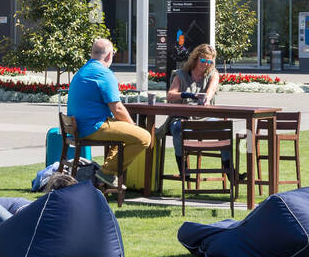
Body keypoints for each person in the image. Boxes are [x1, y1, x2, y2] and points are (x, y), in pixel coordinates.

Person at [66, 37, 151, 186]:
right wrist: (133, 126)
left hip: (80, 126)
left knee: (125, 135)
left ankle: (106, 173)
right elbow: (117, 108)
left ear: (92, 53)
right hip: (93, 126)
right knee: (144, 137)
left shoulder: (83, 71)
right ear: (110, 55)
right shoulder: (104, 73)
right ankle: (107, 173)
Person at [160, 44, 234, 180]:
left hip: (204, 118)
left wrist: (206, 99)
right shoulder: (181, 75)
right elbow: (170, 95)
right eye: (203, 60)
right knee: (177, 127)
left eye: (209, 61)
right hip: (181, 117)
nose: (206, 64)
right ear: (195, 58)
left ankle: (230, 172)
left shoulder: (213, 74)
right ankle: (183, 169)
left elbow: (211, 91)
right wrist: (188, 95)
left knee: (223, 127)